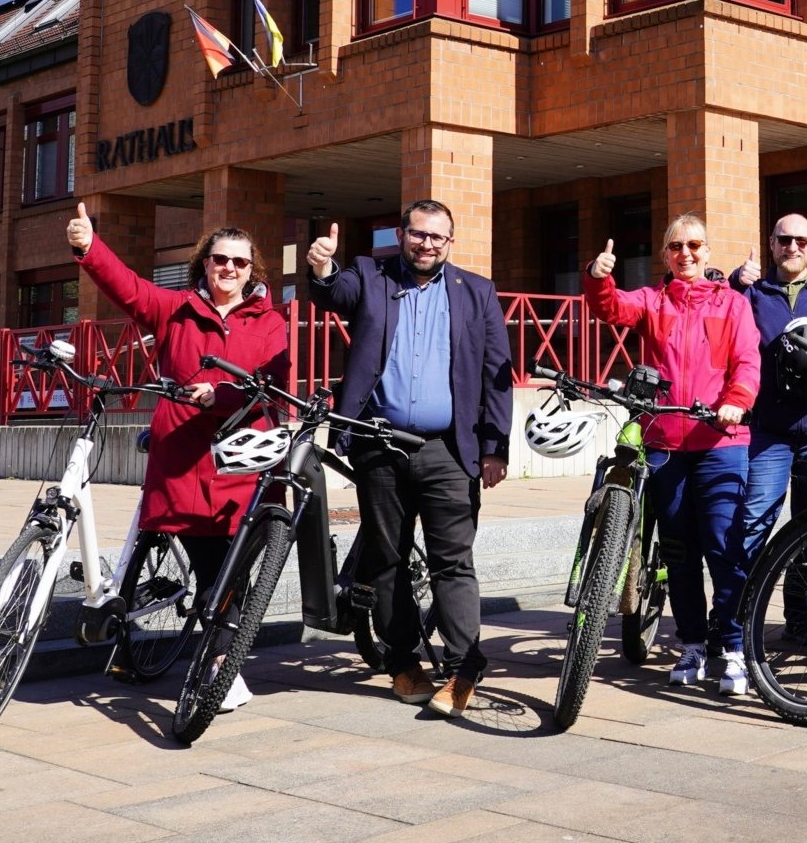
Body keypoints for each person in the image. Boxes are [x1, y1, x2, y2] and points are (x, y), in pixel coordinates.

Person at [69, 204, 290, 714]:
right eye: (219, 260)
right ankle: (219, 663)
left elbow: (273, 387)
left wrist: (224, 396)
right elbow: (127, 286)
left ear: (252, 269)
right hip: (185, 459)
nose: (228, 269)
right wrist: (88, 247)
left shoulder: (270, 322)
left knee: (229, 573)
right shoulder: (176, 310)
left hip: (240, 459)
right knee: (211, 566)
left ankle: (220, 661)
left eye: (239, 262)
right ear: (204, 265)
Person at [305, 199, 512, 719]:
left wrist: (495, 447)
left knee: (453, 562)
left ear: (450, 242)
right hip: (381, 443)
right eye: (418, 235)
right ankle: (402, 661)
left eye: (438, 237)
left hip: (449, 448)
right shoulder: (371, 275)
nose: (427, 245)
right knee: (388, 558)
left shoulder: (477, 292)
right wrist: (323, 267)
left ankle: (464, 666)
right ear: (402, 235)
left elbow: (495, 374)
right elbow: (335, 293)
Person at [587, 214, 761, 695]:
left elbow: (747, 359)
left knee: (725, 548)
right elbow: (611, 309)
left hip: (720, 442)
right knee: (679, 550)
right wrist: (599, 277)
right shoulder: (652, 300)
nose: (686, 254)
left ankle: (732, 646)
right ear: (665, 254)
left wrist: (737, 400)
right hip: (664, 443)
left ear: (708, 252)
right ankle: (691, 642)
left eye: (695, 245)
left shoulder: (732, 304)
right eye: (676, 246)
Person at [730, 214, 807, 639]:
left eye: (802, 240)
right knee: (753, 519)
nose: (793, 247)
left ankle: (804, 621)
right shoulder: (752, 292)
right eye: (784, 239)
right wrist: (733, 281)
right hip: (769, 430)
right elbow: (720, 316)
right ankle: (737, 622)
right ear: (771, 243)